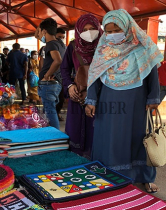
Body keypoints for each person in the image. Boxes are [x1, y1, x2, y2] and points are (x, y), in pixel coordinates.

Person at [84, 9, 162, 193]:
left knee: (139, 138)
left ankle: (143, 177)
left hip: (137, 100)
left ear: (127, 27)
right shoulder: (103, 49)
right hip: (109, 100)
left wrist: (153, 98)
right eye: (108, 31)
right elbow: (95, 76)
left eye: (116, 30)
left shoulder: (143, 46)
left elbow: (152, 72)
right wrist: (91, 100)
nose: (112, 35)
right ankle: (109, 176)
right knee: (110, 138)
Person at [60, 14, 103, 159]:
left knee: (96, 130)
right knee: (76, 128)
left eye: (92, 28)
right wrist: (70, 86)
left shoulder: (105, 46)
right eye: (84, 29)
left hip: (100, 96)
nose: (89, 32)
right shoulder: (73, 47)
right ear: (78, 31)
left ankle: (96, 162)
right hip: (78, 94)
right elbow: (64, 69)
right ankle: (76, 162)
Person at [38, 18, 66, 129]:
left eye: (40, 32)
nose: (39, 35)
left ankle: (56, 136)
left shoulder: (50, 44)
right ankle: (51, 134)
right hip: (56, 82)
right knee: (50, 110)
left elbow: (58, 60)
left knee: (50, 111)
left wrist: (46, 75)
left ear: (44, 31)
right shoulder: (60, 45)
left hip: (49, 83)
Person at [55, 27, 66, 121]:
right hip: (52, 77)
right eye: (59, 37)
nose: (61, 39)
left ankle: (56, 114)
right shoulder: (49, 47)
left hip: (62, 76)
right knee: (53, 99)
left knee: (61, 98)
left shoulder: (64, 47)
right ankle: (53, 117)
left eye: (63, 37)